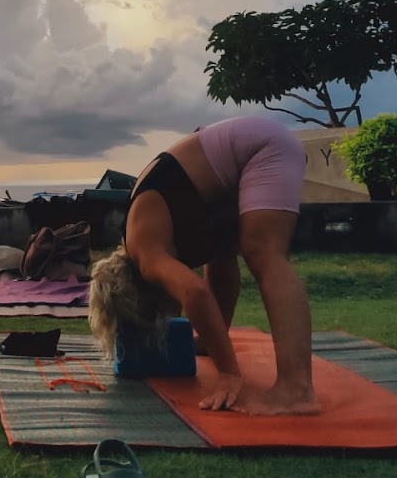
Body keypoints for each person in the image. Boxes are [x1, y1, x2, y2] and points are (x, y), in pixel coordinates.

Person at [89, 117, 320, 416]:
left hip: (263, 147)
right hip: (255, 145)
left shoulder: (146, 255)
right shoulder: (159, 231)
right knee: (225, 250)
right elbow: (220, 259)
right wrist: (214, 339)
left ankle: (297, 389)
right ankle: (266, 371)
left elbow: (195, 293)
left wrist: (228, 373)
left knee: (262, 250)